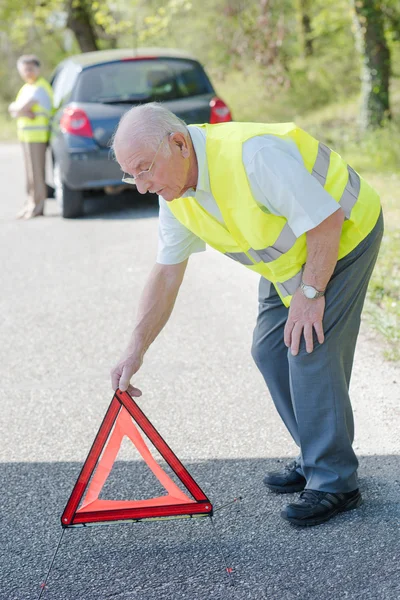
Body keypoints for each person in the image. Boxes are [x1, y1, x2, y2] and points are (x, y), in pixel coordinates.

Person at [110, 103, 383, 527]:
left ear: (179, 143)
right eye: (133, 175)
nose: (143, 187)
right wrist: (135, 349)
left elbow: (328, 220)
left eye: (146, 169)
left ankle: (334, 482)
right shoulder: (175, 192)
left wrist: (311, 295)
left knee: (308, 346)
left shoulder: (254, 156)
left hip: (344, 235)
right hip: (289, 259)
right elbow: (166, 274)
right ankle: (317, 454)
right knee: (269, 348)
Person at [8, 55, 53, 219]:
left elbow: (19, 108)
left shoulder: (40, 87)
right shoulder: (26, 87)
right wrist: (18, 110)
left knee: (36, 174)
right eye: (24, 69)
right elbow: (13, 109)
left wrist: (19, 110)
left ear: (37, 69)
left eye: (30, 68)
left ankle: (37, 206)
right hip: (27, 135)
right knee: (29, 174)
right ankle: (29, 204)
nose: (27, 72)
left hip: (37, 136)